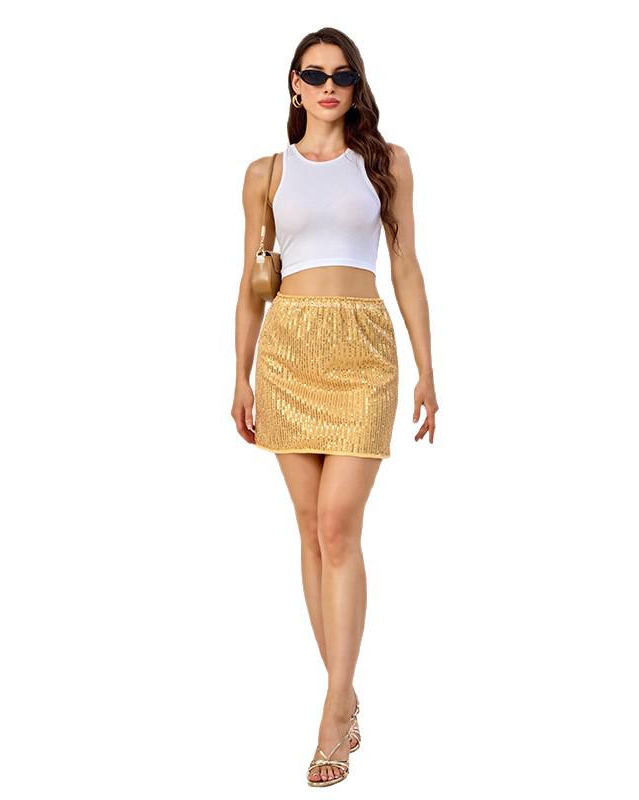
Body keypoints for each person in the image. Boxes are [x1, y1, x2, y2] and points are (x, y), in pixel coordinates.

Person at [231, 27, 438, 787]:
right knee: (311, 530)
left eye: (342, 75)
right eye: (315, 75)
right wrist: (240, 374)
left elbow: (406, 266)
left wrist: (427, 367)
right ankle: (345, 697)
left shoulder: (386, 163)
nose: (329, 87)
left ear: (357, 85)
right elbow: (252, 281)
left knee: (338, 525)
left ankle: (331, 710)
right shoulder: (265, 173)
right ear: (294, 82)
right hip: (288, 349)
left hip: (361, 350)